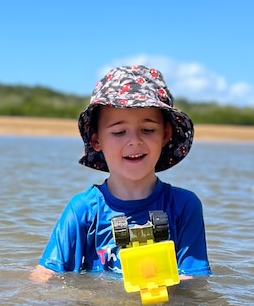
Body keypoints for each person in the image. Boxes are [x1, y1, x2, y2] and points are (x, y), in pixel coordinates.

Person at [33, 65, 210, 281]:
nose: (134, 141)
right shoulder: (84, 210)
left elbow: (195, 281)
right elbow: (45, 274)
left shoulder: (184, 206)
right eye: (119, 132)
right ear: (96, 140)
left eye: (147, 130)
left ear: (165, 134)